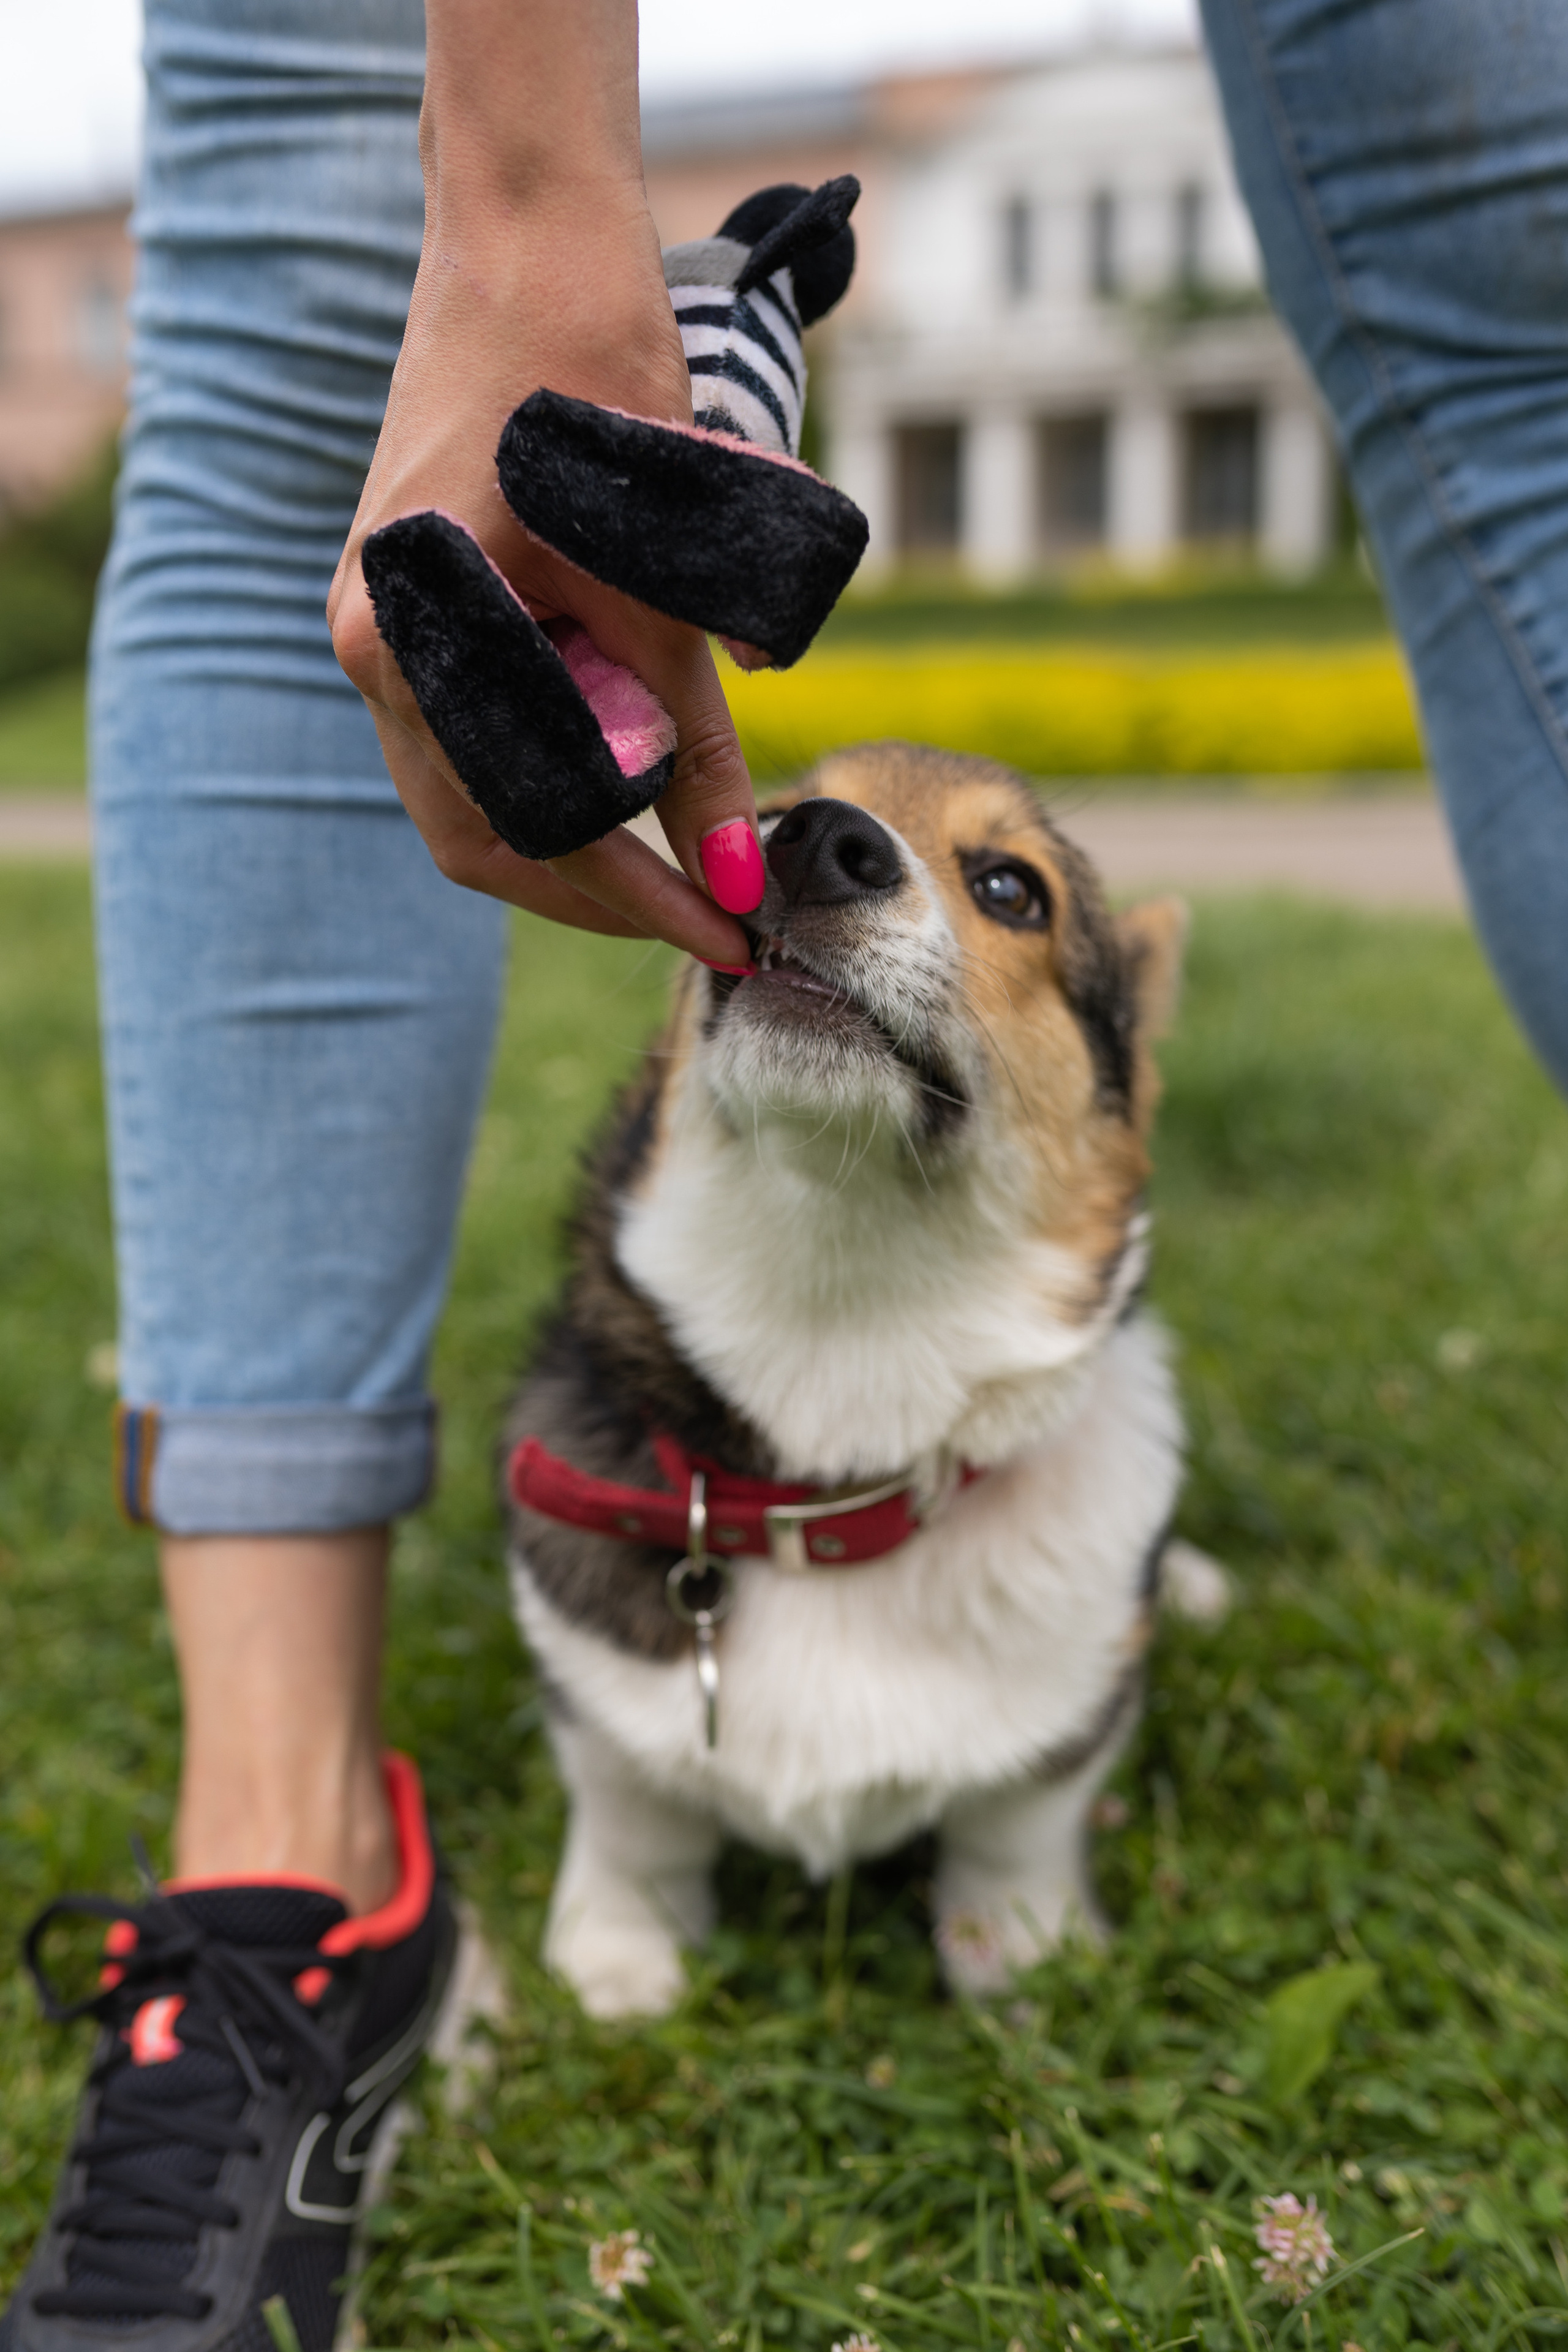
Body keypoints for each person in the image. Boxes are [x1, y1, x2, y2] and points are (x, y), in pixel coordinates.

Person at [8, 0, 1568, 2344]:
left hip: (1001, 1515)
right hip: (683, 1520)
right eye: (830, 839)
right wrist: (532, 187)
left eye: (1004, 894)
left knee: (1514, 272)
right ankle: (286, 1835)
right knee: (318, 311)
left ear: (1121, 1091)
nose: (840, 858)